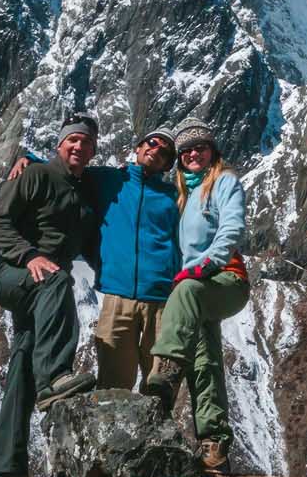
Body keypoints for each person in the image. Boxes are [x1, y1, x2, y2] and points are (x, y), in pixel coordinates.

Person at [0, 113, 102, 477]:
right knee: (55, 278)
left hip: (40, 287)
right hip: (9, 271)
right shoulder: (33, 175)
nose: (79, 146)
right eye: (73, 141)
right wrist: (28, 254)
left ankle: (5, 470)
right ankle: (54, 377)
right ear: (60, 144)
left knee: (22, 358)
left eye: (86, 142)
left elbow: (89, 245)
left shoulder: (85, 191)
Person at [11, 126, 181, 392]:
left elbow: (183, 242)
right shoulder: (109, 180)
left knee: (159, 387)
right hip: (116, 298)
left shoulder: (174, 197)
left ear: (168, 164)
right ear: (138, 148)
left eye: (164, 150)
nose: (155, 149)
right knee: (112, 387)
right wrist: (31, 161)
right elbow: (67, 171)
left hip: (161, 301)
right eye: (152, 142)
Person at [144, 117, 250, 474]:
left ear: (212, 150)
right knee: (205, 362)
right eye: (186, 150)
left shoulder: (224, 182)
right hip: (197, 289)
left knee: (187, 290)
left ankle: (167, 371)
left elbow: (232, 228)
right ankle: (214, 445)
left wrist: (203, 267)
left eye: (199, 147)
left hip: (225, 280)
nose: (192, 154)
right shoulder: (182, 194)